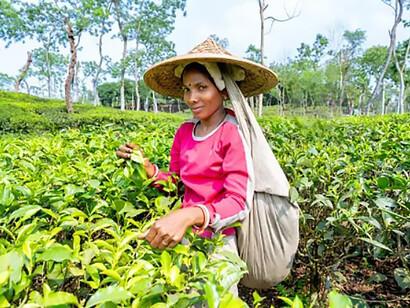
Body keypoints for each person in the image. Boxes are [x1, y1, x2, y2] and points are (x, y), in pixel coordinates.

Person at [116, 38, 281, 292]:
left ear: (223, 90)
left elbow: (238, 202)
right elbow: (176, 183)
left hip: (218, 243)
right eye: (187, 89)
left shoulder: (232, 132)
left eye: (202, 87)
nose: (192, 98)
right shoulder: (184, 132)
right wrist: (147, 167)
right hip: (183, 237)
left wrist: (191, 214)